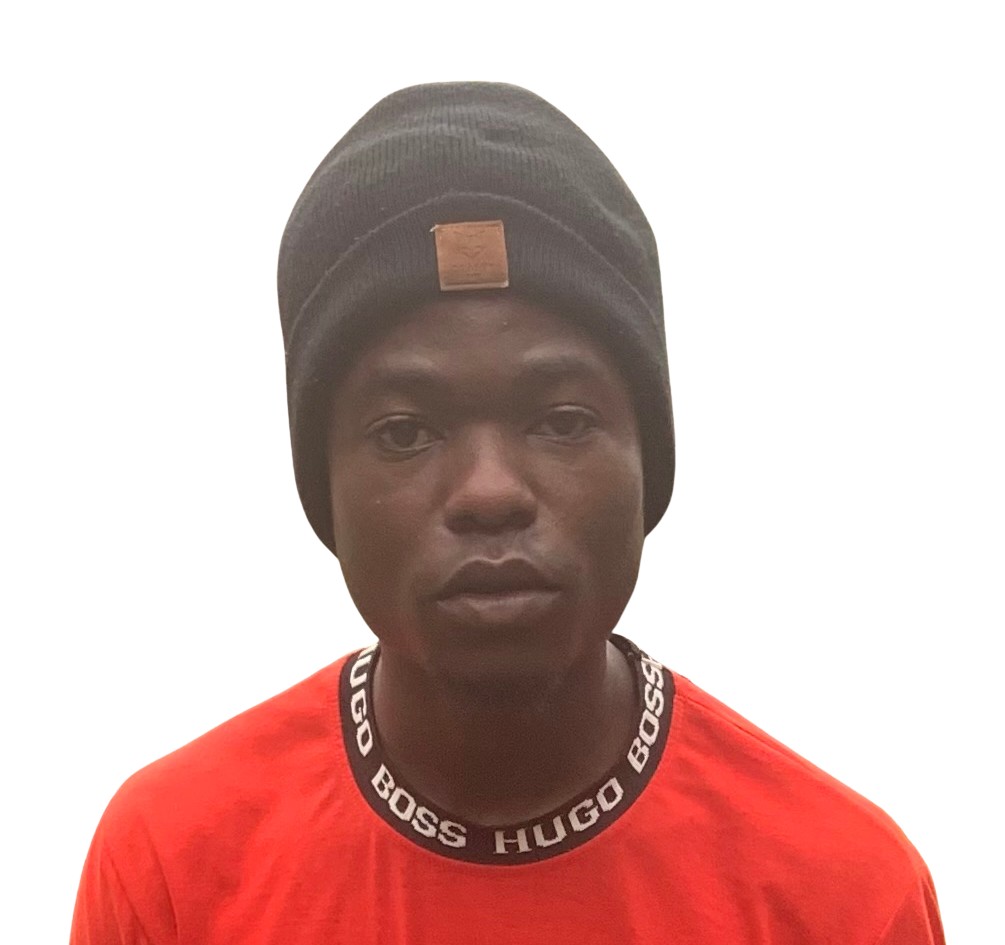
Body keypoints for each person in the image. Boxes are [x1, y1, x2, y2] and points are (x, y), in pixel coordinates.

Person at [70, 82, 945, 944]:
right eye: (405, 431)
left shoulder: (844, 896)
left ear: (649, 459)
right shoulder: (172, 867)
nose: (489, 491)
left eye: (561, 420)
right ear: (322, 486)